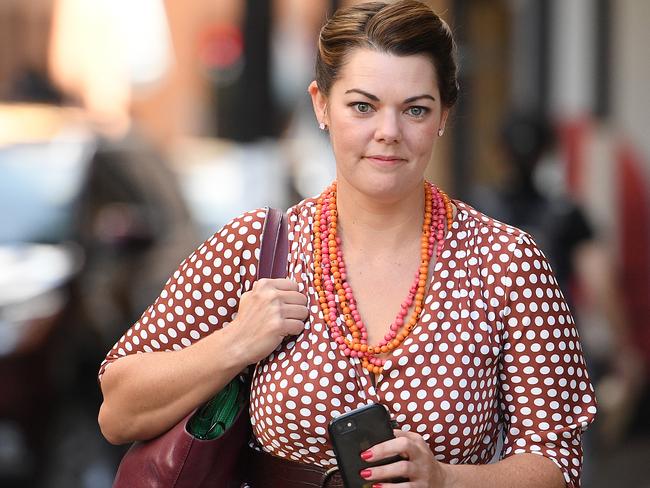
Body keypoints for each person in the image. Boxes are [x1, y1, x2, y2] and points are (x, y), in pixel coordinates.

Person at [98, 2, 597, 487]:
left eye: (415, 110)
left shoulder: (506, 262)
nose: (388, 132)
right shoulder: (257, 248)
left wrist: (446, 479)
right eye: (362, 106)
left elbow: (555, 461)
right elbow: (118, 412)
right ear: (321, 104)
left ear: (444, 114)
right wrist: (233, 345)